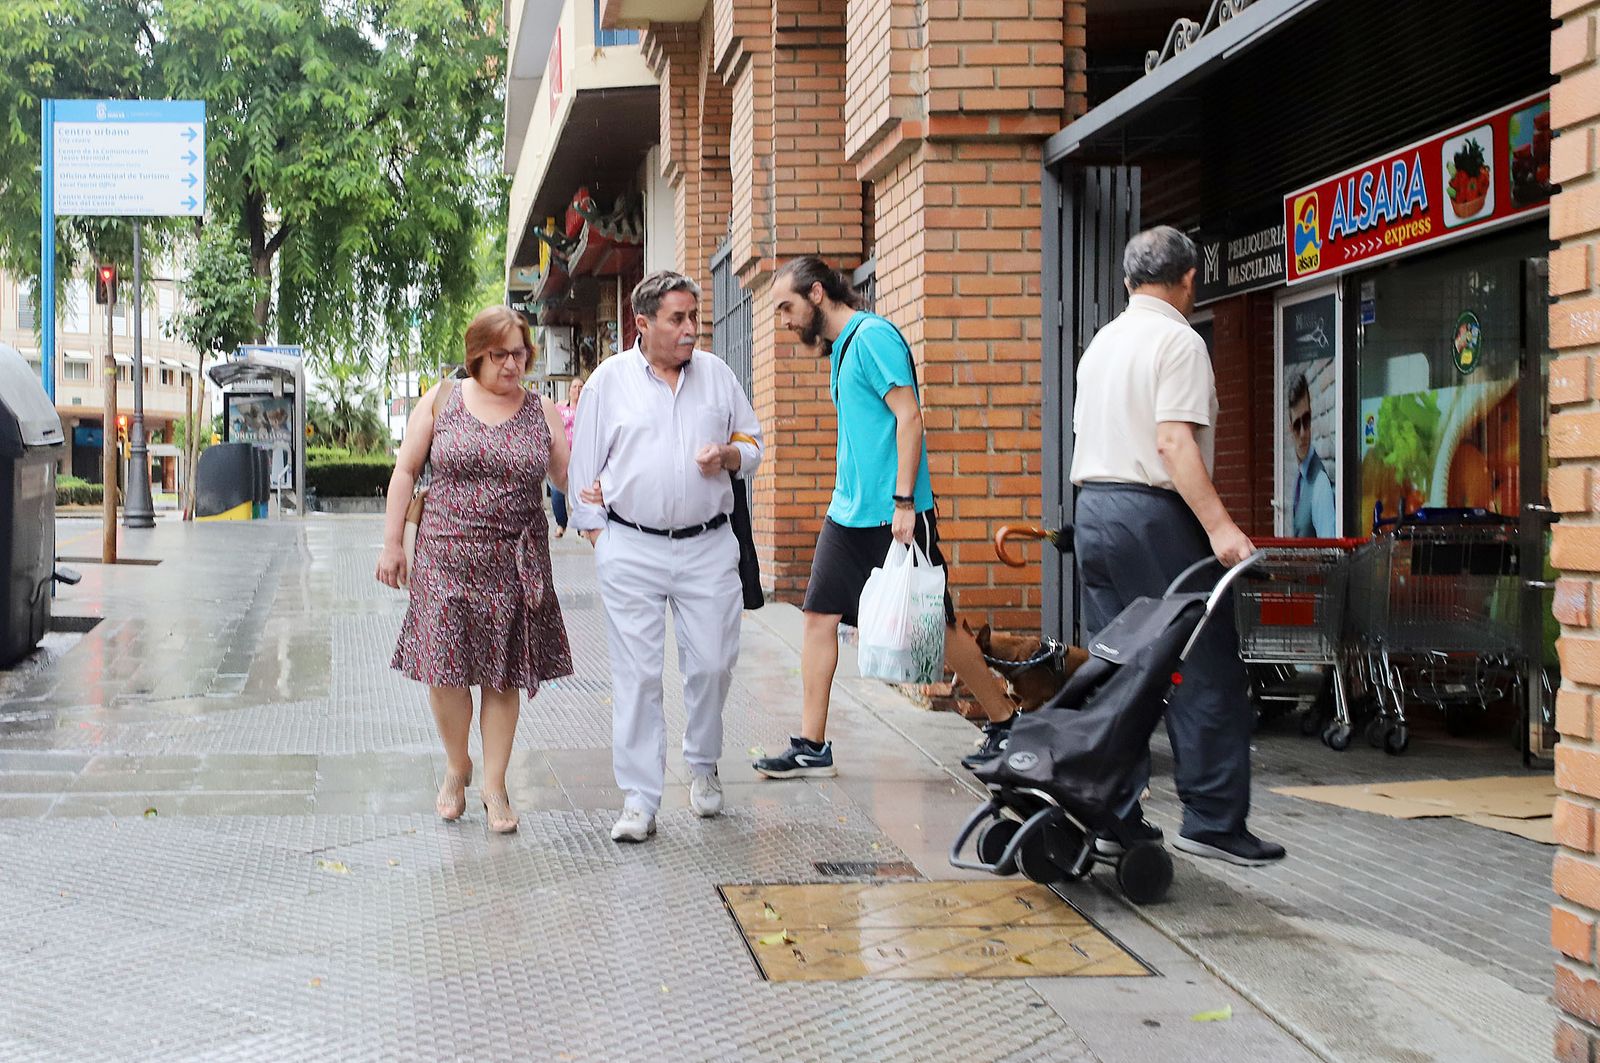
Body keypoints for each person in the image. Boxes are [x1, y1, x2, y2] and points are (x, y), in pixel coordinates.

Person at [751, 256, 1020, 781]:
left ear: (816, 295)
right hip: (848, 512)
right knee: (817, 617)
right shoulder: (842, 349)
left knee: (933, 627)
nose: (784, 321)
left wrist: (903, 502)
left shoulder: (872, 337)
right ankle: (812, 744)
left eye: (786, 307)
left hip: (891, 513)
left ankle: (1007, 721)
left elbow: (910, 417)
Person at [1071, 225, 1284, 866]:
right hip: (1153, 514)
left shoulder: (1102, 343)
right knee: (1206, 660)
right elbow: (1173, 443)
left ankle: (1113, 814)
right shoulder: (1179, 341)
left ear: (1129, 280)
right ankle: (1214, 820)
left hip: (1094, 509)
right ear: (1190, 278)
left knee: (1120, 667)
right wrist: (1221, 528)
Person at [566, 270, 763, 844]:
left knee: (712, 664)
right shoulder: (609, 383)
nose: (690, 330)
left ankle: (703, 764)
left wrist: (728, 455)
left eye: (695, 318)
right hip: (632, 547)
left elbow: (754, 445)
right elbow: (583, 474)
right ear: (643, 323)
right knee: (637, 675)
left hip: (707, 545)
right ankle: (639, 797)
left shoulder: (718, 376)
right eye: (677, 319)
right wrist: (605, 542)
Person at [377, 305, 574, 834]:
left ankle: (494, 784)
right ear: (476, 356)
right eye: (500, 355)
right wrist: (393, 542)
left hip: (515, 560)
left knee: (502, 674)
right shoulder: (443, 399)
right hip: (445, 555)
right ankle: (456, 764)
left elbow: (568, 480)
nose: (513, 364)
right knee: (445, 670)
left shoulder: (541, 412)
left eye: (520, 353)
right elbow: (405, 470)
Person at [1286, 372, 1336, 537]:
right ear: (1289, 428)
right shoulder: (1299, 478)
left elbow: (1329, 549)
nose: (1302, 433)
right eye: (1296, 425)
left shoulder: (1320, 482)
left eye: (1306, 421)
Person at [550, 376, 585, 537]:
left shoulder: (588, 408)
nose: (577, 390)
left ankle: (582, 526)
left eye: (580, 387)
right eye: (574, 387)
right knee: (558, 491)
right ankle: (561, 524)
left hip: (581, 457)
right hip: (563, 454)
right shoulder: (560, 408)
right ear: (569, 390)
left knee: (581, 492)